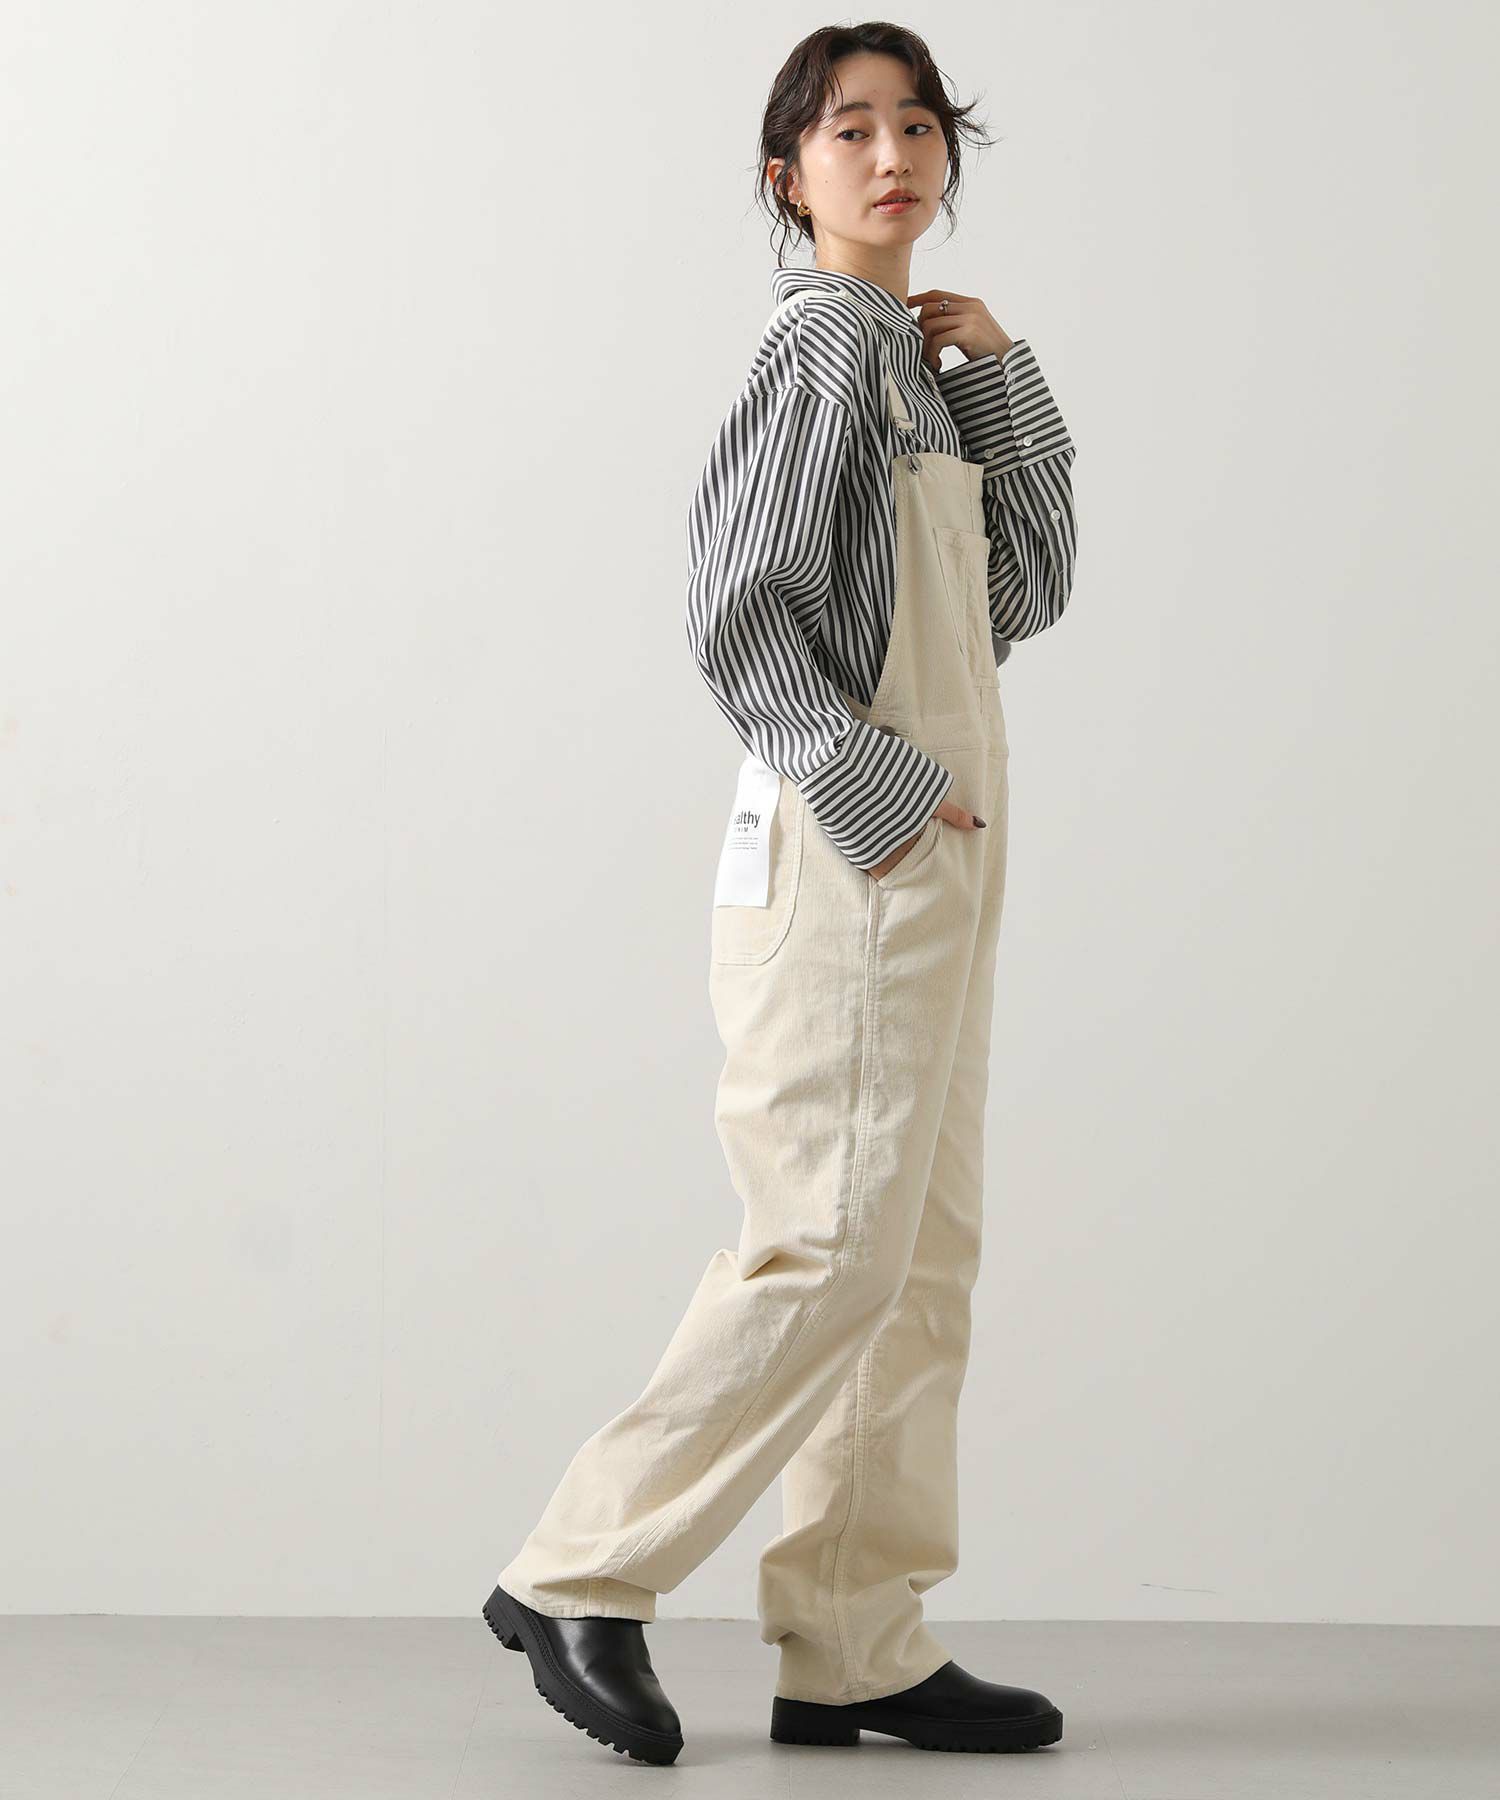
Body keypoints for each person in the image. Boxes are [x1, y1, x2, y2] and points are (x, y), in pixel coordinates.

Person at [484, 20, 1079, 1765]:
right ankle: (579, 1567)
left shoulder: (915, 366)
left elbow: (1026, 596)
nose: (892, 156)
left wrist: (1002, 381)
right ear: (788, 174)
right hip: (851, 859)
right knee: (828, 1241)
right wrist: (881, 795)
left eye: (918, 126)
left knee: (917, 1259)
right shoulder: (820, 348)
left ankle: (855, 1639)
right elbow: (736, 605)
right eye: (849, 131)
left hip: (931, 861)